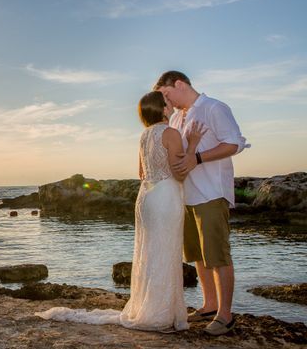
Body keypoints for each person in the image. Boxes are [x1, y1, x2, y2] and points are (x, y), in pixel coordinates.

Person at [36, 91, 204, 332]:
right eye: (168, 103)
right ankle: (160, 314)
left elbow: (141, 173)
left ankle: (152, 308)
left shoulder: (144, 136)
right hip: (166, 197)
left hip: (147, 197)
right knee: (165, 251)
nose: (172, 105)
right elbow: (179, 172)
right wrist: (194, 144)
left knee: (150, 252)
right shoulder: (171, 133)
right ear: (163, 109)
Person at [153, 70, 248, 336]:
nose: (166, 102)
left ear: (179, 84)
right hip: (187, 194)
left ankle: (225, 315)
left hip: (211, 193)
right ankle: (209, 305)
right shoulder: (178, 116)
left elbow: (234, 143)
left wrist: (199, 158)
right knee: (197, 254)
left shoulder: (213, 107)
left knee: (217, 254)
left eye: (166, 94)